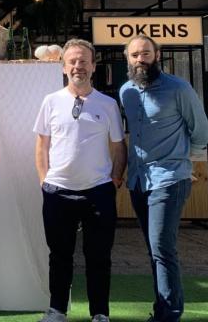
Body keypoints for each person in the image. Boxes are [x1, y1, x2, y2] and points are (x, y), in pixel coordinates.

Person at [120, 35, 208, 322]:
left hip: (169, 179)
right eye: (134, 55)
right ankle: (161, 308)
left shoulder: (179, 89)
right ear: (128, 58)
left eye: (145, 53)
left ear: (157, 55)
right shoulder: (126, 92)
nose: (140, 59)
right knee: (154, 249)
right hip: (138, 181)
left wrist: (182, 162)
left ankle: (170, 314)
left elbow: (202, 133)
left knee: (162, 247)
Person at [33, 39, 126, 322]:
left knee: (99, 257)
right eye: (72, 61)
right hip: (58, 192)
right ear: (63, 67)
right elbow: (41, 146)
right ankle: (57, 310)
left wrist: (114, 180)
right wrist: (44, 182)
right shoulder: (50, 102)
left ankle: (99, 313)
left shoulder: (108, 104)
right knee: (59, 256)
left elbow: (119, 147)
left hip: (98, 192)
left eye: (84, 61)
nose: (78, 66)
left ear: (93, 66)